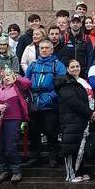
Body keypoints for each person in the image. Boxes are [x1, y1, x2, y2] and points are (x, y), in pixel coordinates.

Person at [25, 39, 64, 168]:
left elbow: (61, 85)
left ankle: (53, 156)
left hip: (50, 104)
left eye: (47, 48)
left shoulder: (58, 65)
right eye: (42, 48)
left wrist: (50, 97)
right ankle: (34, 156)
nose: (44, 50)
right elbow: (26, 83)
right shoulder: (33, 65)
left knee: (51, 131)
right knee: (33, 131)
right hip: (34, 103)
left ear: (52, 50)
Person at [0, 68, 32, 184]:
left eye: (9, 75)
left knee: (11, 146)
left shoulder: (18, 88)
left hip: (14, 119)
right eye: (4, 76)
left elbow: (27, 83)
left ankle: (16, 170)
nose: (6, 78)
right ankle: (3, 170)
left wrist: (16, 77)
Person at [56, 58, 94, 183]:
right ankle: (71, 174)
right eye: (72, 67)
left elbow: (91, 97)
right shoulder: (65, 83)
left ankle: (80, 170)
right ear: (67, 69)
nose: (75, 69)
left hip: (83, 119)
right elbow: (73, 102)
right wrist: (90, 113)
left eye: (77, 66)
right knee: (71, 147)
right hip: (71, 119)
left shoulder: (83, 81)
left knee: (80, 147)